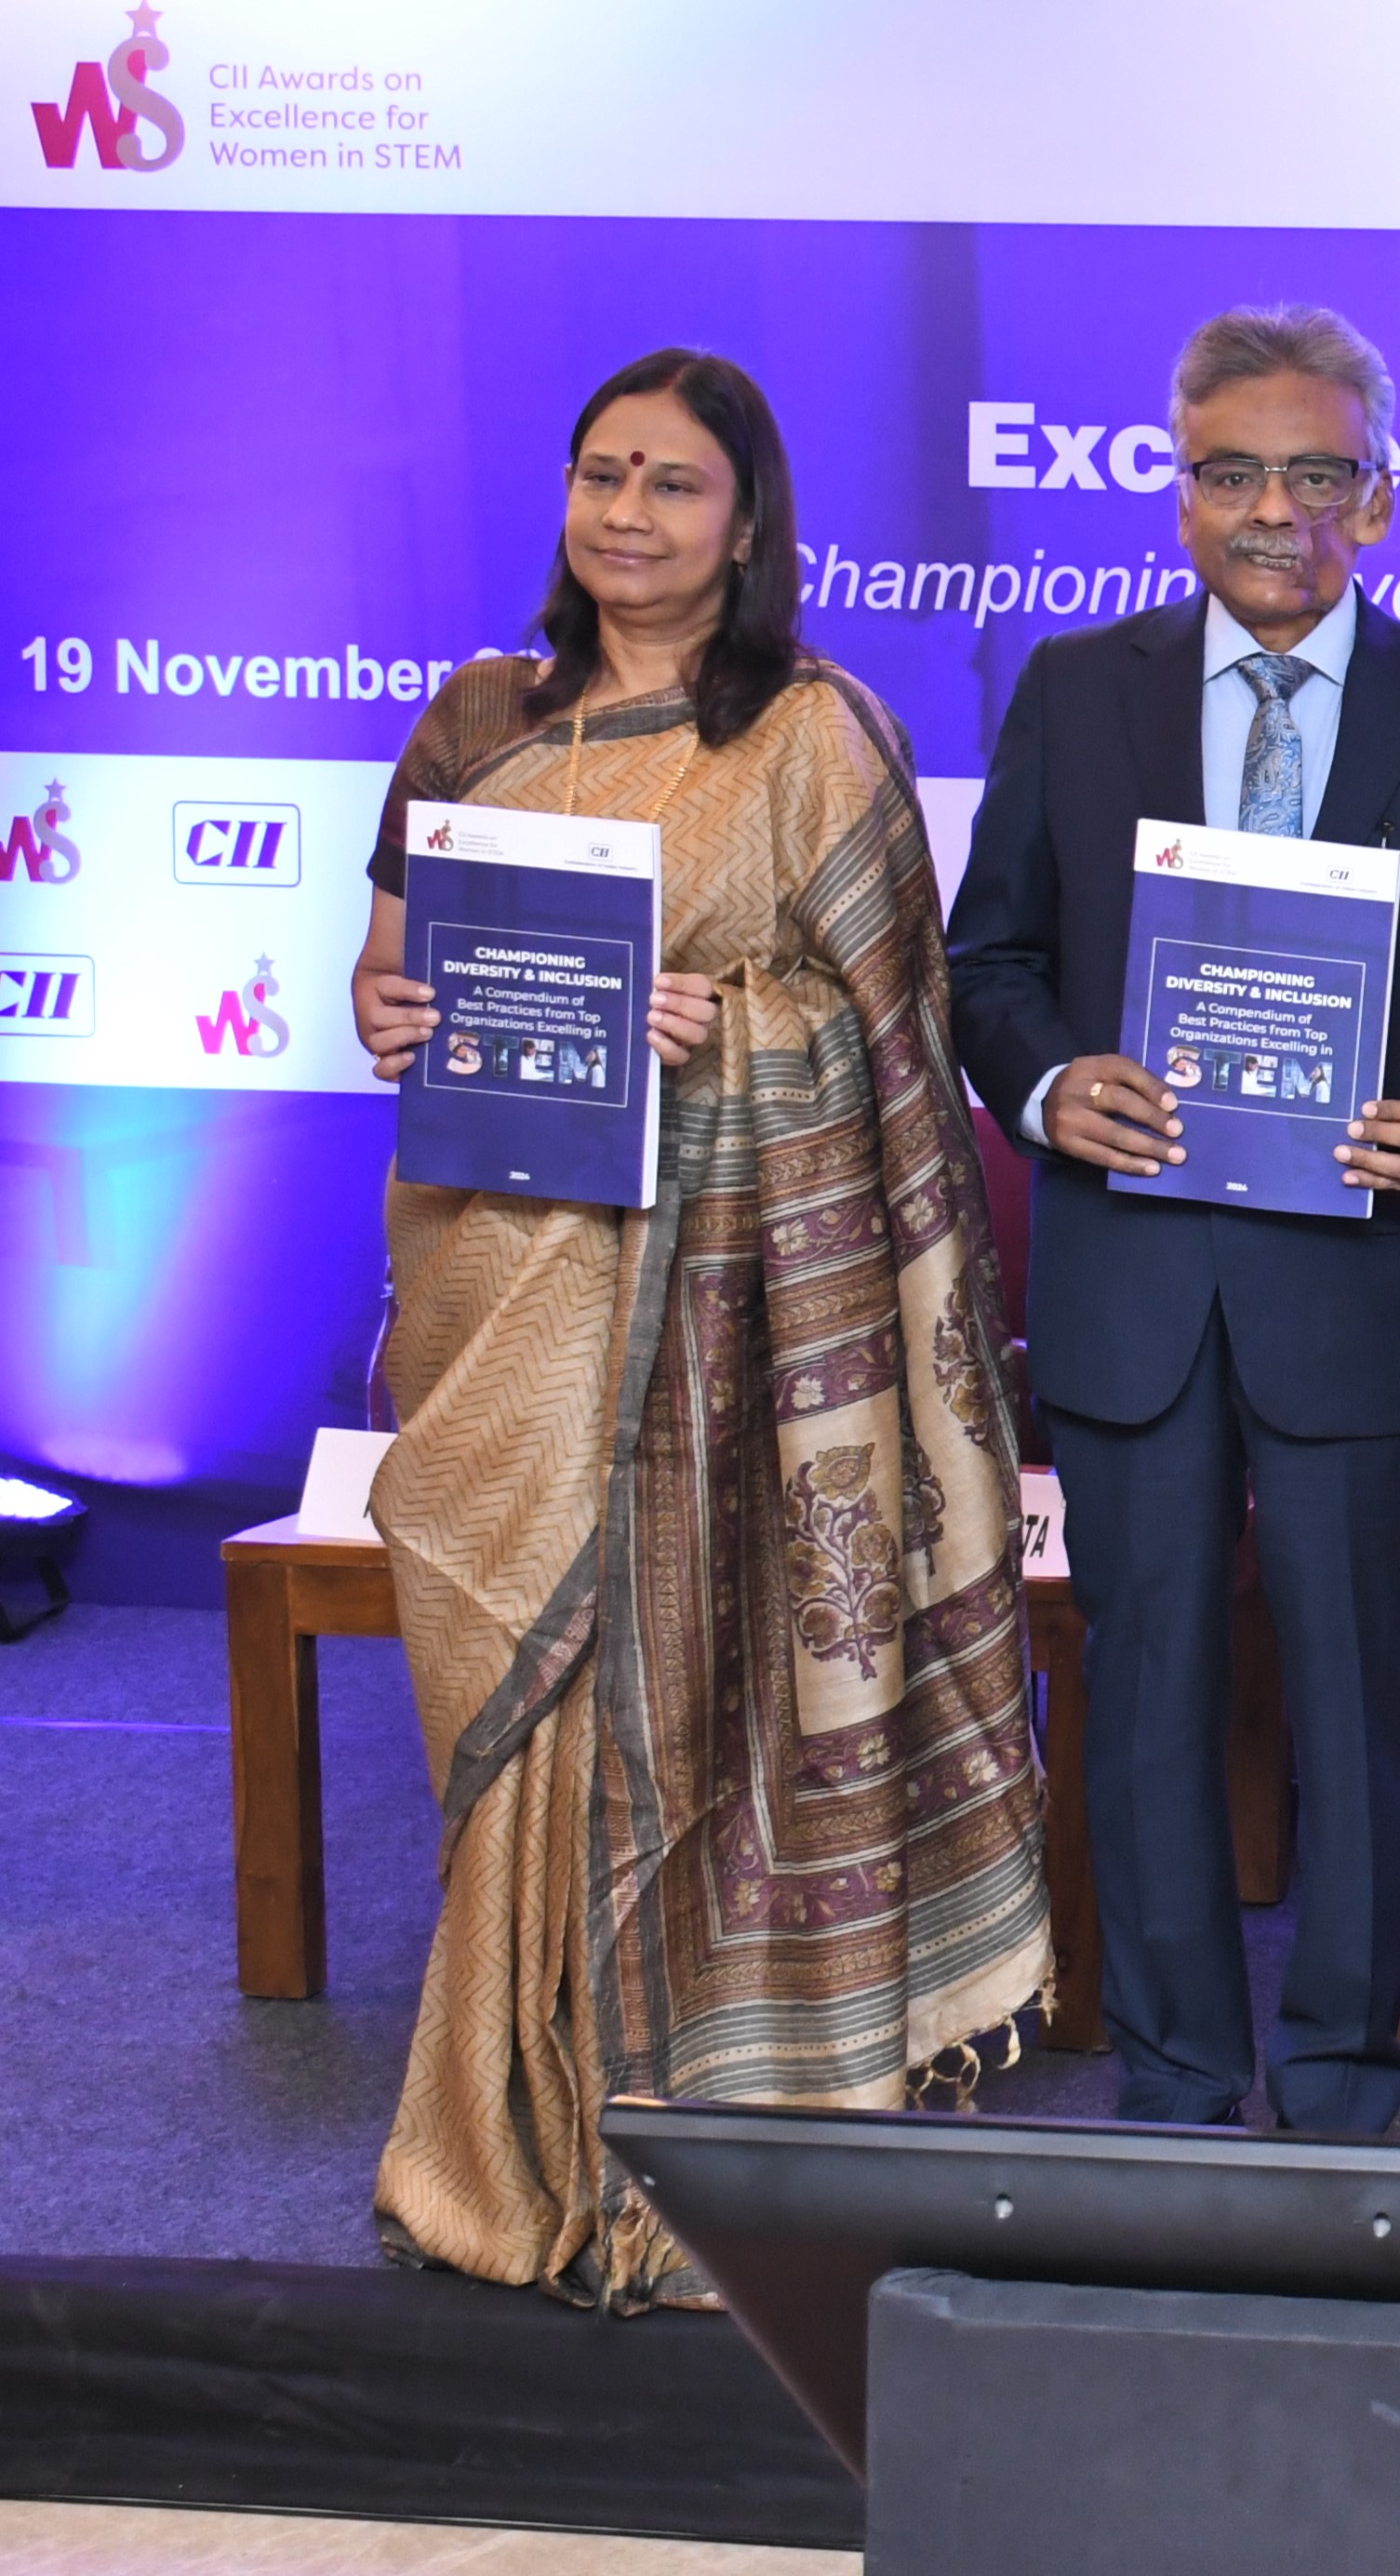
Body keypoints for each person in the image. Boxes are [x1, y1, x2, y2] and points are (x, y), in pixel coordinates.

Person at [344, 348, 1045, 2309]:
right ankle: (504, 2142)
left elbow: (894, 1041)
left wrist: (726, 1032)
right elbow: (389, 974)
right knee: (512, 1688)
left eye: (672, 482)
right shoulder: (476, 715)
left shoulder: (814, 734)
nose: (627, 513)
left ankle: (684, 2157)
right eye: (601, 474)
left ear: (746, 525)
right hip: (501, 1268)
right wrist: (390, 1012)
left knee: (681, 1687)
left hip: (719, 1314)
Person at [943, 305, 1400, 2137]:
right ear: (1181, 494)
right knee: (1144, 1684)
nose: (1274, 511)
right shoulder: (1078, 691)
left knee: (1362, 1693)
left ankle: (1344, 2073)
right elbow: (988, 963)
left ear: (1380, 496)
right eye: (1233, 473)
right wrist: (1050, 1085)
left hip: (1356, 1285)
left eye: (1316, 474)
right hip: (1133, 1280)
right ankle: (1175, 2073)